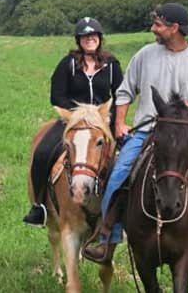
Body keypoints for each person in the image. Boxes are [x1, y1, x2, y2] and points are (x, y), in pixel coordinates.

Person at [82, 3, 188, 265]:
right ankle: (106, 239)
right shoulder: (144, 55)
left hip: (185, 136)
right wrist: (120, 123)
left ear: (175, 28)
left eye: (158, 25)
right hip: (147, 132)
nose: (153, 29)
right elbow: (125, 92)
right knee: (119, 174)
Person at [23, 17, 123, 227]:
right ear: (79, 40)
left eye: (93, 35)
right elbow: (57, 95)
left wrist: (113, 120)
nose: (89, 39)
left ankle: (124, 210)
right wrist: (77, 115)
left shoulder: (112, 65)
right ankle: (39, 206)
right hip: (72, 121)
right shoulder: (67, 64)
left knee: (128, 157)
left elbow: (120, 95)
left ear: (99, 38)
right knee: (43, 152)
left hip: (102, 122)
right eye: (85, 36)